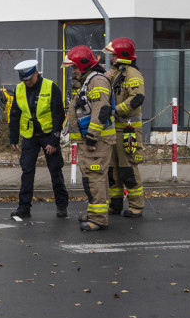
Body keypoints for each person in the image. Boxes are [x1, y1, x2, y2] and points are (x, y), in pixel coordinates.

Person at [62, 45, 115, 232]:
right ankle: (96, 213)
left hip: (96, 141)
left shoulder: (96, 81)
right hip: (91, 140)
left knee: (94, 178)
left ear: (84, 65)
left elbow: (102, 109)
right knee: (95, 177)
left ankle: (98, 218)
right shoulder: (88, 81)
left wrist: (92, 137)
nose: (73, 71)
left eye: (75, 67)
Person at [8, 60, 69, 219]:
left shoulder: (50, 86)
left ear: (36, 73)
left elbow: (58, 115)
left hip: (48, 134)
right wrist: (13, 137)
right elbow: (15, 114)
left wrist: (54, 141)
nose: (27, 82)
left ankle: (62, 206)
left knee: (55, 171)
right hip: (29, 136)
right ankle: (24, 208)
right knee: (27, 171)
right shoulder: (19, 89)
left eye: (30, 78)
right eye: (24, 80)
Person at [103, 38, 146, 217]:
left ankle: (136, 206)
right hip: (114, 129)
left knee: (128, 168)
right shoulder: (113, 73)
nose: (111, 58)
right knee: (113, 170)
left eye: (113, 55)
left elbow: (137, 98)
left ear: (122, 56)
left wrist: (116, 110)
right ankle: (115, 204)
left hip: (128, 129)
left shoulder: (133, 74)